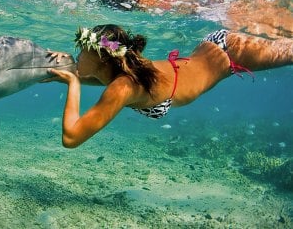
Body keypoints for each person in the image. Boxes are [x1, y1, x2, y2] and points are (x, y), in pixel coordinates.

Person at [47, 25, 293, 148]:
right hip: (215, 47)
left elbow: (71, 138)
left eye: (83, 49)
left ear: (103, 58)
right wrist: (70, 72)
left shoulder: (123, 86)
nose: (77, 54)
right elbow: (98, 77)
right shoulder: (125, 67)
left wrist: (72, 83)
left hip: (232, 52)